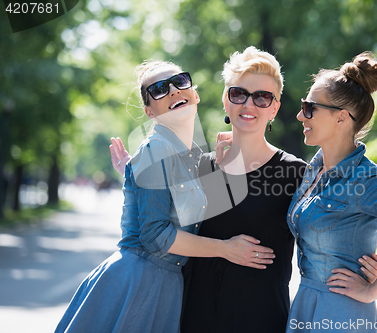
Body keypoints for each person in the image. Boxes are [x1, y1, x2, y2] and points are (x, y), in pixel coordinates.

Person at [109, 47, 377, 333]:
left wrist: (367, 267)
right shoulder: (199, 168)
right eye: (238, 94)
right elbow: (155, 226)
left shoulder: (296, 174)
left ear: (275, 108)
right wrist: (134, 172)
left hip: (263, 320)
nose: (249, 104)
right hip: (193, 318)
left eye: (263, 97)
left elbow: (330, 232)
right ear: (226, 101)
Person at [55, 60, 274, 333]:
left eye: (180, 82)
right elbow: (155, 235)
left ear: (194, 94)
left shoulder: (192, 155)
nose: (172, 91)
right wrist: (226, 249)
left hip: (167, 283)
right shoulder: (156, 149)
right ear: (149, 111)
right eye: (159, 89)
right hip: (139, 281)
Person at [286, 52, 377, 332]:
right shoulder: (313, 170)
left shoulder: (368, 178)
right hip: (306, 304)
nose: (299, 114)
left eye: (309, 107)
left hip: (342, 313)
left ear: (341, 118)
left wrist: (373, 290)